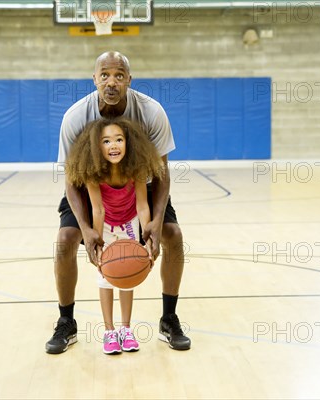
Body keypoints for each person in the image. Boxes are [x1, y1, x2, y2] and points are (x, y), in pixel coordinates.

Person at [45, 51, 191, 354]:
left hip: (139, 187)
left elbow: (161, 173)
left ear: (129, 80)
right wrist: (85, 227)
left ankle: (169, 318)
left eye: (119, 76)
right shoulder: (75, 116)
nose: (112, 82)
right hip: (91, 189)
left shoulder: (151, 112)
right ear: (95, 79)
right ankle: (66, 322)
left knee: (173, 236)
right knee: (65, 240)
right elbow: (72, 181)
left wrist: (154, 220)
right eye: (105, 75)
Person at [64, 117, 165, 354]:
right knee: (107, 275)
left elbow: (142, 206)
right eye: (106, 141)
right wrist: (98, 242)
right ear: (97, 147)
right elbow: (97, 209)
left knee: (128, 275)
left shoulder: (136, 169)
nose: (113, 145)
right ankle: (109, 331)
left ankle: (126, 329)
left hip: (129, 222)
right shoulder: (93, 173)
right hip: (107, 223)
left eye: (119, 140)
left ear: (129, 143)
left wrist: (148, 235)